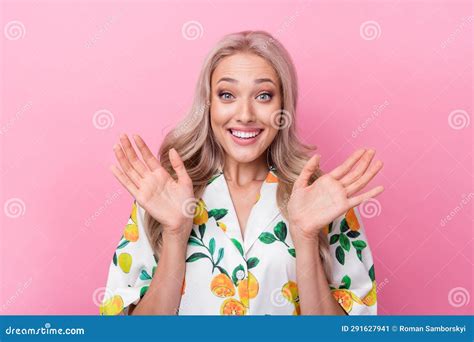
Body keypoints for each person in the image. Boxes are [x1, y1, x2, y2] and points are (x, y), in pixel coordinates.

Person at [100, 30, 384, 316]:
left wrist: (306, 237)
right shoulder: (163, 197)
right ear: (208, 104)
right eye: (227, 95)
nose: (245, 114)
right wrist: (175, 234)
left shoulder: (323, 200)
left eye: (263, 95)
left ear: (283, 106)